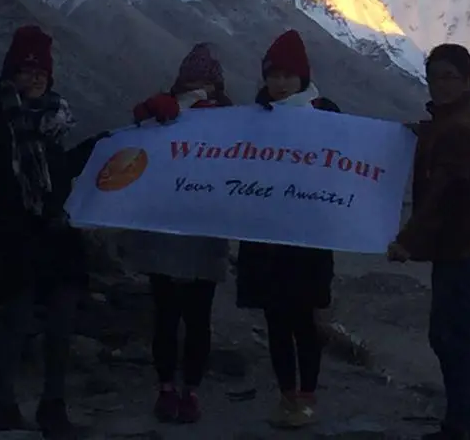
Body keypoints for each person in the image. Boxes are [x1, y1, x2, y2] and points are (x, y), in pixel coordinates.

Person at [0, 25, 103, 439]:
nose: (35, 78)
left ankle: (53, 406)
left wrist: (103, 146)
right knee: (16, 318)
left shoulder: (51, 119)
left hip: (55, 234)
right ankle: (5, 406)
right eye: (26, 70)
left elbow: (57, 172)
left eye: (41, 71)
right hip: (15, 234)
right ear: (12, 72)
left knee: (61, 320)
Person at [388, 43, 470, 440]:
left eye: (449, 77)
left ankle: (461, 425)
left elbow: (442, 192)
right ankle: (459, 420)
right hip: (458, 246)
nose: (440, 85)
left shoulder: (462, 129)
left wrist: (407, 240)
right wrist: (423, 133)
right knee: (449, 334)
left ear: (467, 79)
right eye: (434, 78)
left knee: (454, 337)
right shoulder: (456, 120)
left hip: (463, 247)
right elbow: (443, 138)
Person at [124, 42, 234, 424]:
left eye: (204, 81)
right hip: (168, 229)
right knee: (169, 316)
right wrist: (149, 114)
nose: (196, 88)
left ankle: (189, 390)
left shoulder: (231, 120)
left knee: (196, 318)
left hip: (203, 230)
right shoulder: (162, 113)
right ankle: (169, 387)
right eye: (190, 81)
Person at [235, 29, 339, 429]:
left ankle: (307, 395)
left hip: (308, 236)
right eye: (273, 75)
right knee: (276, 319)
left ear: (302, 77)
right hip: (266, 235)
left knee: (304, 319)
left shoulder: (326, 114)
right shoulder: (254, 117)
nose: (279, 83)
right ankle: (286, 395)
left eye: (287, 75)